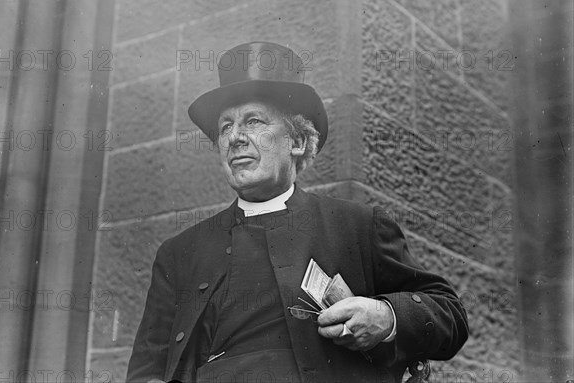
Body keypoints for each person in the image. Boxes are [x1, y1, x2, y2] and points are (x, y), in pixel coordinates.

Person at [126, 41, 469, 383]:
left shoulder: (357, 226)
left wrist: (386, 316)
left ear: (297, 142)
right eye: (225, 127)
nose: (235, 138)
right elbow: (146, 370)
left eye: (254, 121)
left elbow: (450, 315)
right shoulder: (180, 253)